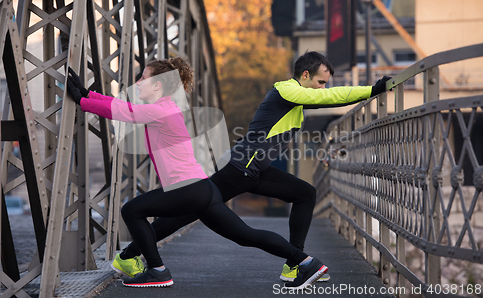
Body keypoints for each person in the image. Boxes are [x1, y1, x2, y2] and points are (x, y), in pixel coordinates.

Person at [114, 51, 391, 283]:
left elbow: (302, 117)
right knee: (188, 213)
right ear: (304, 76)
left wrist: (322, 150)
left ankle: (295, 262)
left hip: (254, 169)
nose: (323, 88)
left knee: (305, 193)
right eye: (320, 82)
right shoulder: (287, 89)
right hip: (239, 167)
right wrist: (372, 90)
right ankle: (129, 255)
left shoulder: (296, 103)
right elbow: (328, 99)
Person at [66, 57, 329, 290]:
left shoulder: (162, 110)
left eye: (143, 78)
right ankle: (305, 261)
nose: (138, 83)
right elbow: (122, 106)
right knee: (245, 235)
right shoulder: (163, 107)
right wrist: (88, 94)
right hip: (201, 189)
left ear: (158, 85)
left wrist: (82, 101)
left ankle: (157, 270)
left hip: (187, 188)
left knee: (131, 211)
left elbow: (124, 112)